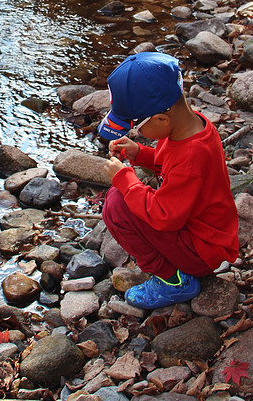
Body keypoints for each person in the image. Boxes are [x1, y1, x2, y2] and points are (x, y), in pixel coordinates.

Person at [97, 52, 239, 310]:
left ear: (162, 119)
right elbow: (171, 165)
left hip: (201, 251)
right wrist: (140, 153)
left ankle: (173, 281)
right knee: (122, 198)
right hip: (203, 234)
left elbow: (165, 215)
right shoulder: (190, 130)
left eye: (136, 127)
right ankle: (174, 271)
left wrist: (125, 179)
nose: (134, 132)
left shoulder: (192, 155)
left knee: (117, 204)